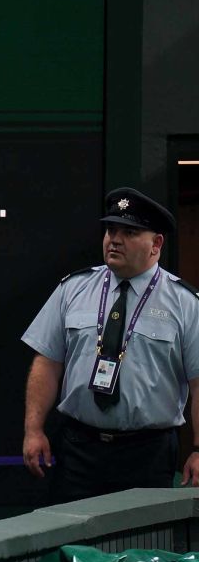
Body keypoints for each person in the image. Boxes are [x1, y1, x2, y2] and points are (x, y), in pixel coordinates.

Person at [21, 186, 199, 502]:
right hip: (78, 448)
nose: (114, 239)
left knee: (142, 548)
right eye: (111, 229)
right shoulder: (73, 289)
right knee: (75, 545)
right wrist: (33, 429)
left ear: (156, 243)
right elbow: (47, 363)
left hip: (148, 451)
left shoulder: (185, 303)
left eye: (129, 232)